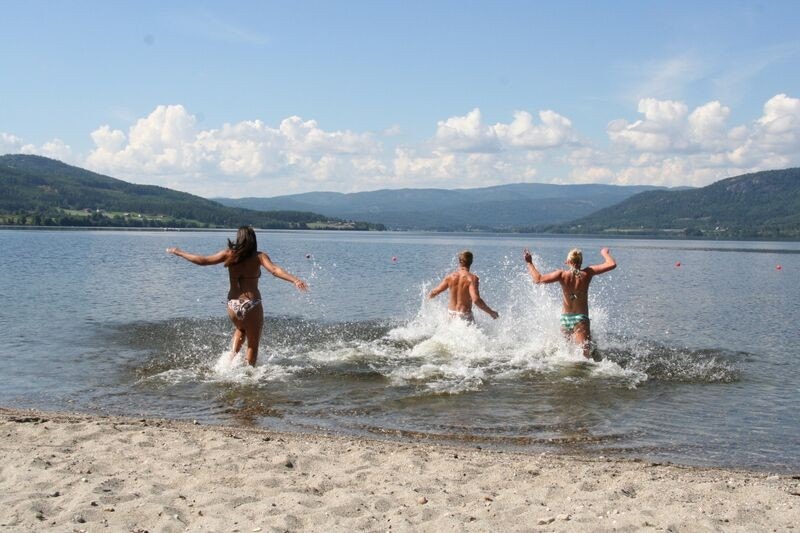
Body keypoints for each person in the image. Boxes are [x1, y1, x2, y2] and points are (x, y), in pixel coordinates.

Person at [167, 226, 308, 366]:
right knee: (252, 346)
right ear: (253, 240)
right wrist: (295, 280)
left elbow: (202, 260)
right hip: (251, 304)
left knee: (241, 329)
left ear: (238, 239)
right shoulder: (259, 256)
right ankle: (248, 376)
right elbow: (275, 270)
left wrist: (179, 252)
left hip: (232, 305)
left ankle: (229, 364)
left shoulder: (229, 254)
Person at [523, 247, 616, 358]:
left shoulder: (562, 275)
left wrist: (529, 263)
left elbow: (538, 279)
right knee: (584, 358)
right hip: (581, 320)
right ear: (580, 262)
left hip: (565, 319)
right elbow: (612, 264)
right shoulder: (588, 272)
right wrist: (604, 253)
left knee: (566, 356)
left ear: (568, 262)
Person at [428, 250, 499, 323]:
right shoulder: (472, 278)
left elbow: (434, 292)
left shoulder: (450, 277)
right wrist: (491, 312)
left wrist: (427, 301)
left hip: (450, 315)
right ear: (471, 261)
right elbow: (476, 300)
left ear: (459, 261)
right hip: (464, 317)